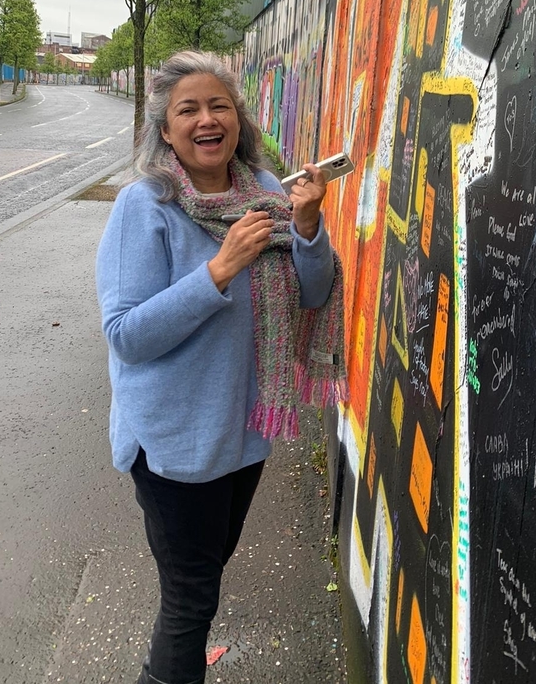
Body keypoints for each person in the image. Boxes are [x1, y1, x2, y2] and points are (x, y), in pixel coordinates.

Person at [96, 51, 347, 684]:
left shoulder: (265, 193)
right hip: (175, 441)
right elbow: (127, 335)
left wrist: (310, 227)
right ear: (164, 128)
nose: (207, 119)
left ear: (238, 119)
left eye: (220, 106)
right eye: (189, 109)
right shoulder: (144, 207)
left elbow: (315, 294)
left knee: (201, 579)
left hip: (244, 432)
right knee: (190, 598)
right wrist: (218, 270)